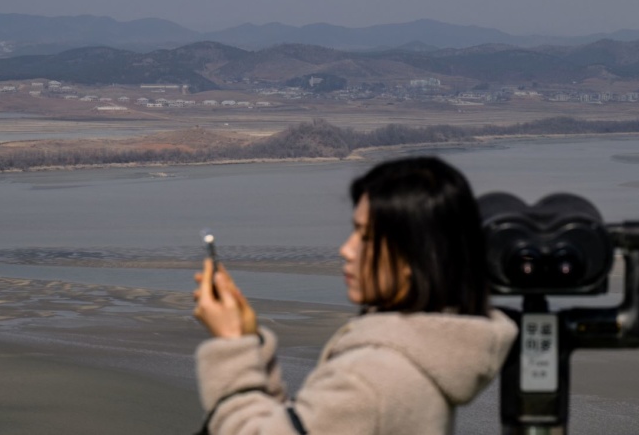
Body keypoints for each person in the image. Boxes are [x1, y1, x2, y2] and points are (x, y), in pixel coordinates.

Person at [193, 156, 518, 434]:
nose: (346, 249)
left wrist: (232, 346)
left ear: (415, 255)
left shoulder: (371, 377)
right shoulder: (423, 357)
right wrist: (252, 344)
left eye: (366, 235)